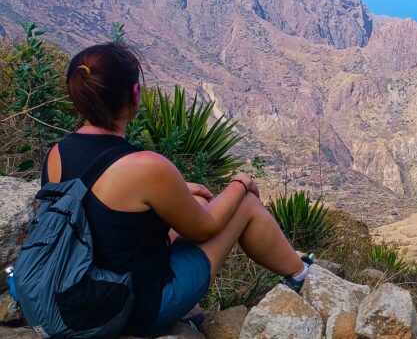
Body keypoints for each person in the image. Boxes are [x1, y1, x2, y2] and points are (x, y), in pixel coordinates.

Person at [40, 42, 309, 336]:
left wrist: (181, 190)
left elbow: (102, 212)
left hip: (74, 292)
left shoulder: (56, 154)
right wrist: (239, 183)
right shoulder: (145, 166)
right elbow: (204, 229)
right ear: (134, 94)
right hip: (132, 308)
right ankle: (301, 275)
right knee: (244, 204)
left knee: (196, 199)